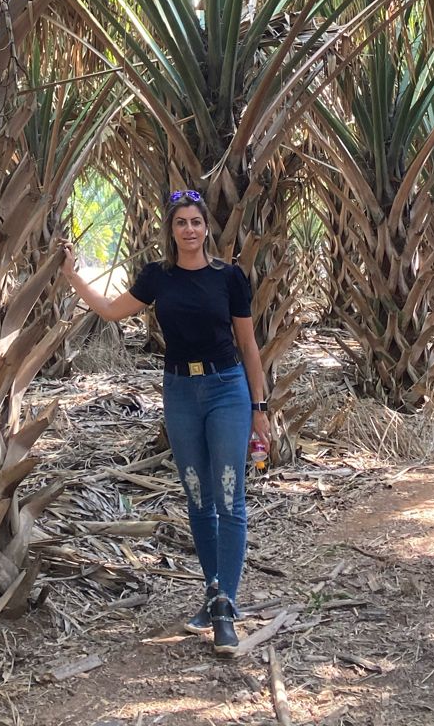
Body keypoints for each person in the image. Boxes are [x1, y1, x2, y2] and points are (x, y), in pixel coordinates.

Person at [59, 188, 270, 656]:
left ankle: (224, 605)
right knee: (198, 496)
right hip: (179, 391)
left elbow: (249, 346)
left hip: (226, 389)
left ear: (206, 228)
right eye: (181, 223)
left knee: (230, 495)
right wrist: (72, 276)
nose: (190, 229)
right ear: (171, 230)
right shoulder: (158, 277)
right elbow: (112, 310)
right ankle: (213, 586)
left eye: (196, 221)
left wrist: (260, 409)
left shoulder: (229, 277)